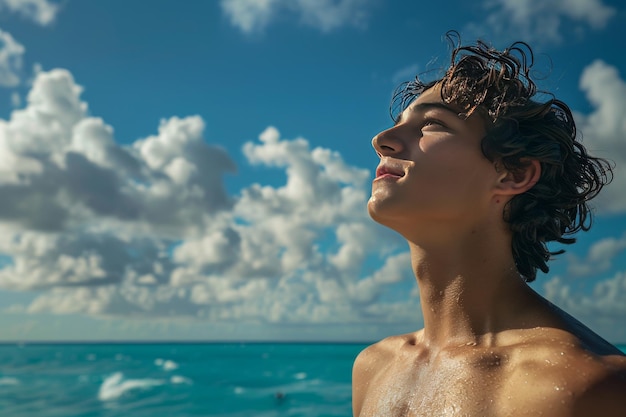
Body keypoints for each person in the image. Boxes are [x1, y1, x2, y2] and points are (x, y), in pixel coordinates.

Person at [352, 32, 626, 417]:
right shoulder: (373, 367)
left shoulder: (582, 386)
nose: (382, 140)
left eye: (432, 125)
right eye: (397, 123)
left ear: (512, 175)